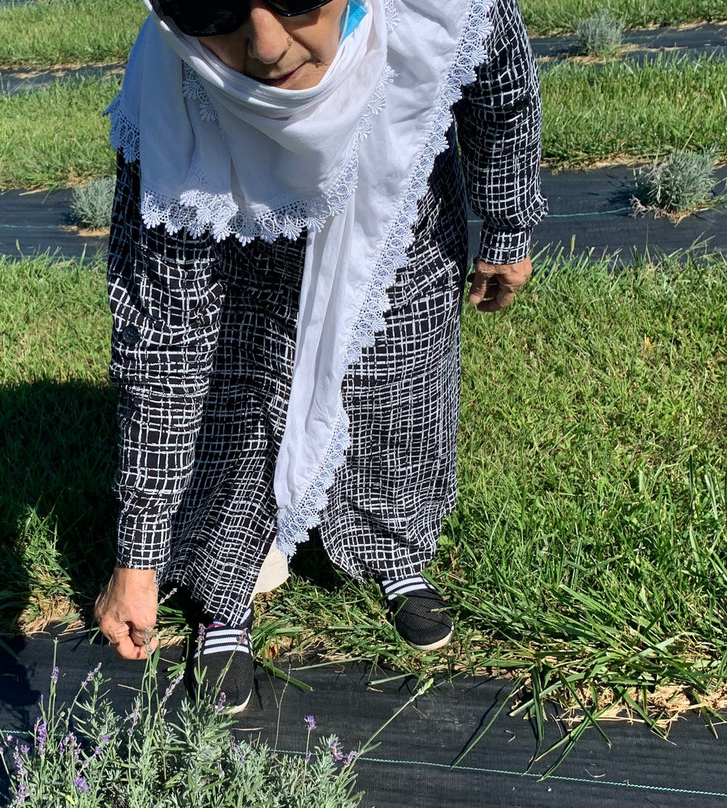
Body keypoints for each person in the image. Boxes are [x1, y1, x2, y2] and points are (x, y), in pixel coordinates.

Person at [94, 0, 546, 713]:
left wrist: (508, 222)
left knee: (398, 376)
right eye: (219, 10)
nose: (268, 47)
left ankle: (387, 540)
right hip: (243, 249)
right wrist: (139, 556)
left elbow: (502, 94)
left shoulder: (442, 9)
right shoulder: (174, 89)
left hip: (398, 218)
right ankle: (223, 588)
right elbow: (165, 343)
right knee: (234, 400)